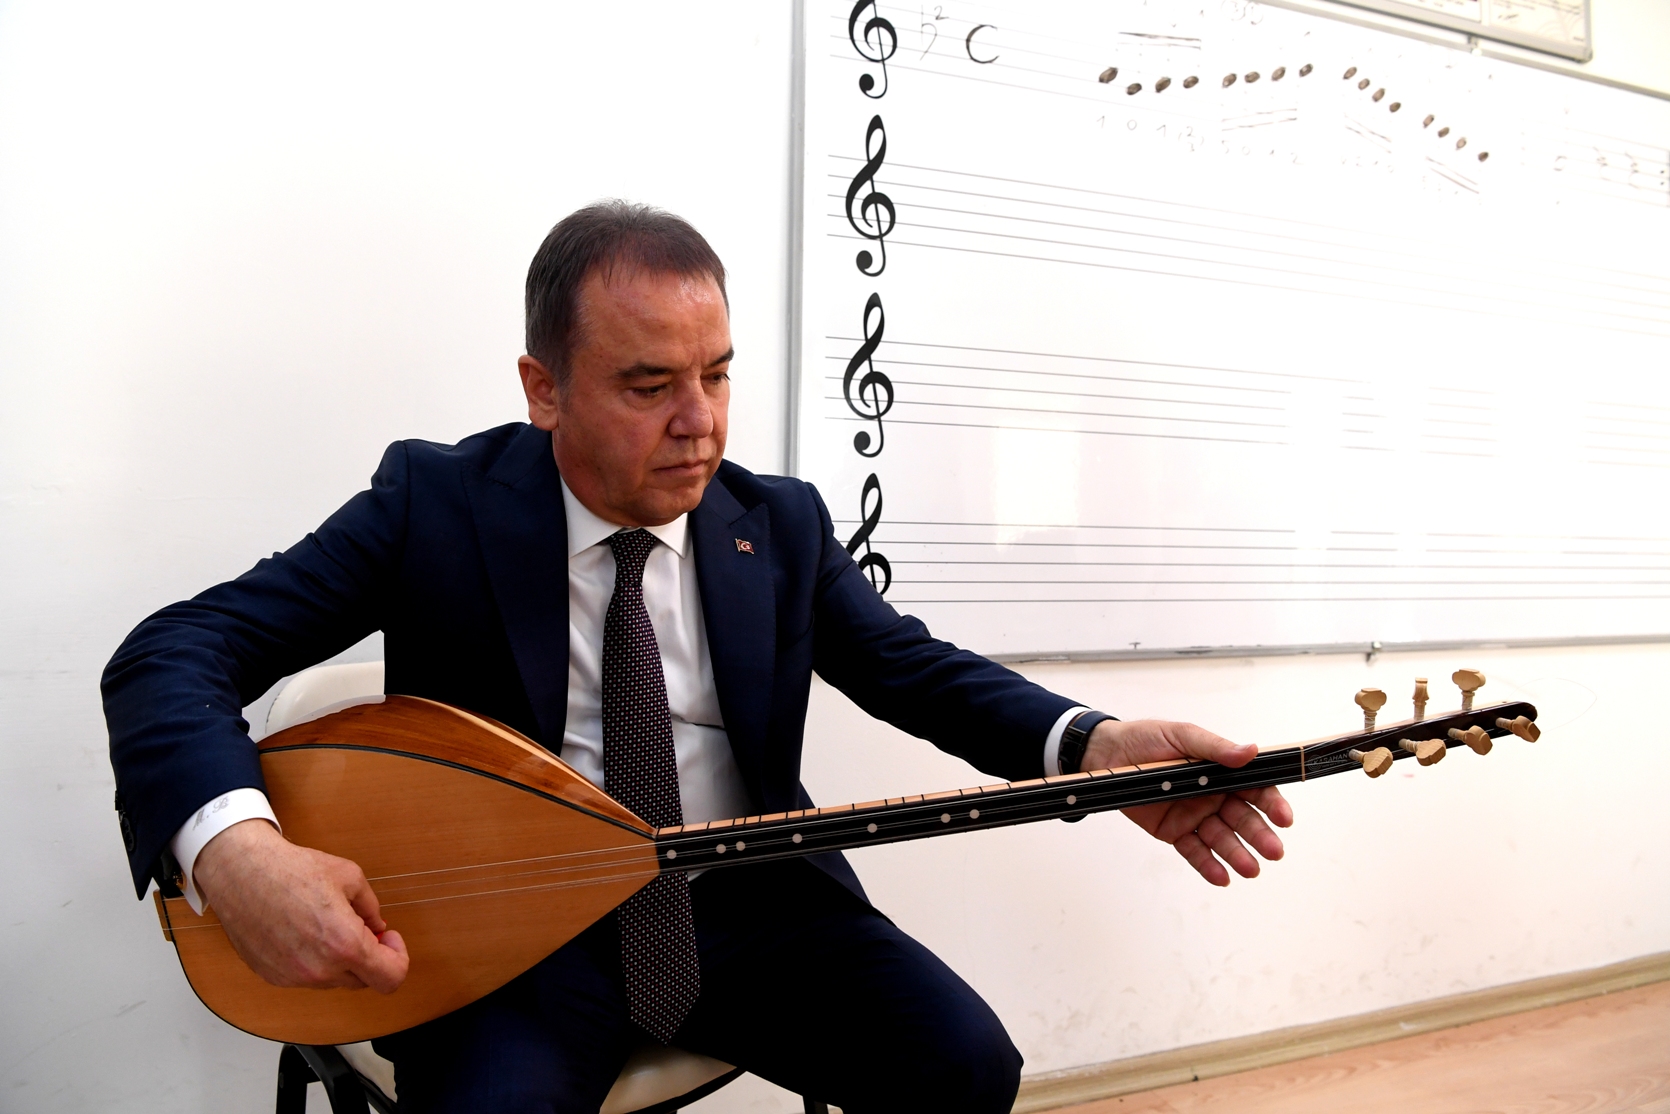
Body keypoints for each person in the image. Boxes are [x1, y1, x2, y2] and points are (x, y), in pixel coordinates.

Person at [102, 202, 1292, 1113]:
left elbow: (913, 669)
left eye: (717, 373)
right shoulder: (433, 504)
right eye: (648, 384)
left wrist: (1094, 746)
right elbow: (175, 650)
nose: (702, 422)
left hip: (746, 908)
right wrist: (236, 851)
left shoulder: (776, 523)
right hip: (512, 940)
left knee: (963, 1064)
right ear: (543, 390)